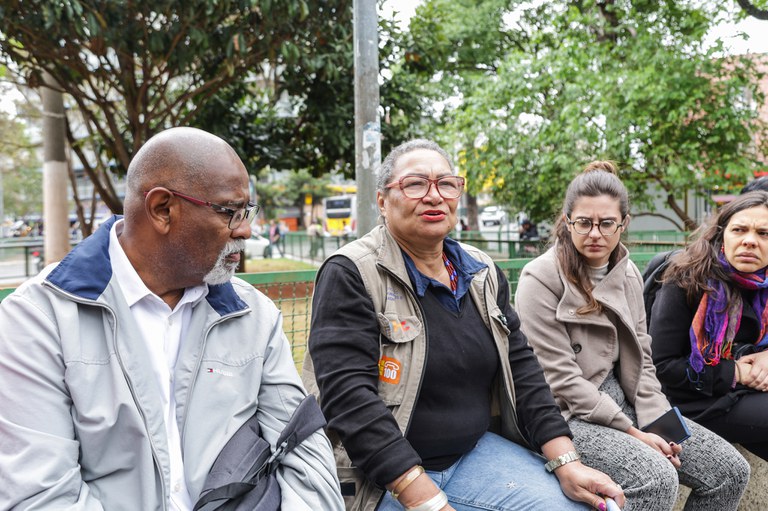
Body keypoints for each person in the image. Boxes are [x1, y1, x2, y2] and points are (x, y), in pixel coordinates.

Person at [0, 127, 343, 510]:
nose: (246, 230)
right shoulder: (38, 321)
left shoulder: (253, 314)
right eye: (230, 212)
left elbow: (305, 452)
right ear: (162, 209)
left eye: (247, 212)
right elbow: (41, 496)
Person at [303, 139, 625, 511]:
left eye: (446, 184)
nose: (434, 196)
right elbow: (349, 398)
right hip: (382, 477)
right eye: (415, 184)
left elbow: (522, 371)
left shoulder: (481, 272)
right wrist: (425, 499)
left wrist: (567, 462)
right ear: (382, 201)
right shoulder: (351, 273)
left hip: (471, 456)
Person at [515, 162, 750, 511]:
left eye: (607, 223)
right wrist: (634, 433)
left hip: (625, 398)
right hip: (564, 412)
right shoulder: (540, 278)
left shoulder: (628, 275)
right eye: (584, 222)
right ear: (567, 222)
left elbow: (642, 359)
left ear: (623, 224)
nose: (595, 233)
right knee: (655, 478)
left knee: (729, 472)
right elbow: (559, 379)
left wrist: (660, 421)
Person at [649, 190, 768, 462]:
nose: (750, 241)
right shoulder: (687, 279)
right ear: (722, 235)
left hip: (744, 396)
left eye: (764, 234)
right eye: (740, 230)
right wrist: (736, 372)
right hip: (691, 401)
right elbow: (662, 365)